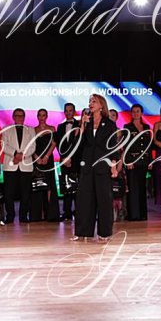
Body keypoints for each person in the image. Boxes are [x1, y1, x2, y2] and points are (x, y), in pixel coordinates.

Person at [72, 94, 117, 241]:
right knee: (84, 199)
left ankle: (104, 233)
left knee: (104, 200)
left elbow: (113, 146)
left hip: (102, 166)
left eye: (94, 101)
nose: (90, 104)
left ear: (101, 105)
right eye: (90, 101)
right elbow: (78, 145)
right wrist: (82, 126)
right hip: (87, 166)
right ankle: (82, 232)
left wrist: (113, 165)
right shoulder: (87, 123)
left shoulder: (109, 124)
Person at [1, 108, 35, 225]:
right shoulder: (6, 129)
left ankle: (23, 216)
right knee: (9, 193)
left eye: (21, 116)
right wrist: (15, 154)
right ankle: (10, 216)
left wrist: (21, 156)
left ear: (24, 117)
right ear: (13, 117)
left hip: (26, 166)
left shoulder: (30, 130)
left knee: (25, 193)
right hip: (10, 165)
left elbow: (33, 146)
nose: (19, 118)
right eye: (17, 115)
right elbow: (4, 145)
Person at [123, 104, 152, 221]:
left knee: (142, 187)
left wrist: (150, 161)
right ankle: (133, 215)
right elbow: (125, 145)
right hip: (132, 161)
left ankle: (143, 214)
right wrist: (128, 161)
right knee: (133, 188)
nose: (136, 113)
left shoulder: (146, 127)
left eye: (138, 111)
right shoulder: (127, 127)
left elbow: (148, 145)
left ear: (141, 113)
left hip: (144, 161)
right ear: (131, 113)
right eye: (134, 111)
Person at [31, 108, 60, 223]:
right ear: (37, 117)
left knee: (50, 186)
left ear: (46, 116)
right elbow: (31, 146)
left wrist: (47, 156)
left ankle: (51, 213)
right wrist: (36, 158)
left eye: (44, 115)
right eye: (40, 115)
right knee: (38, 185)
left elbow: (54, 143)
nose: (42, 117)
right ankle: (38, 214)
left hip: (48, 160)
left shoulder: (52, 129)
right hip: (37, 160)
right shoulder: (33, 130)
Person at [55, 102, 79, 221]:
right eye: (66, 110)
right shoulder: (60, 127)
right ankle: (67, 212)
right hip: (64, 161)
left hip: (76, 161)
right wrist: (64, 158)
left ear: (74, 112)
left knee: (77, 187)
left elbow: (80, 144)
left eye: (70, 110)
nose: (68, 112)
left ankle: (79, 211)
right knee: (66, 187)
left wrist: (71, 158)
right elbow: (58, 144)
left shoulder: (80, 125)